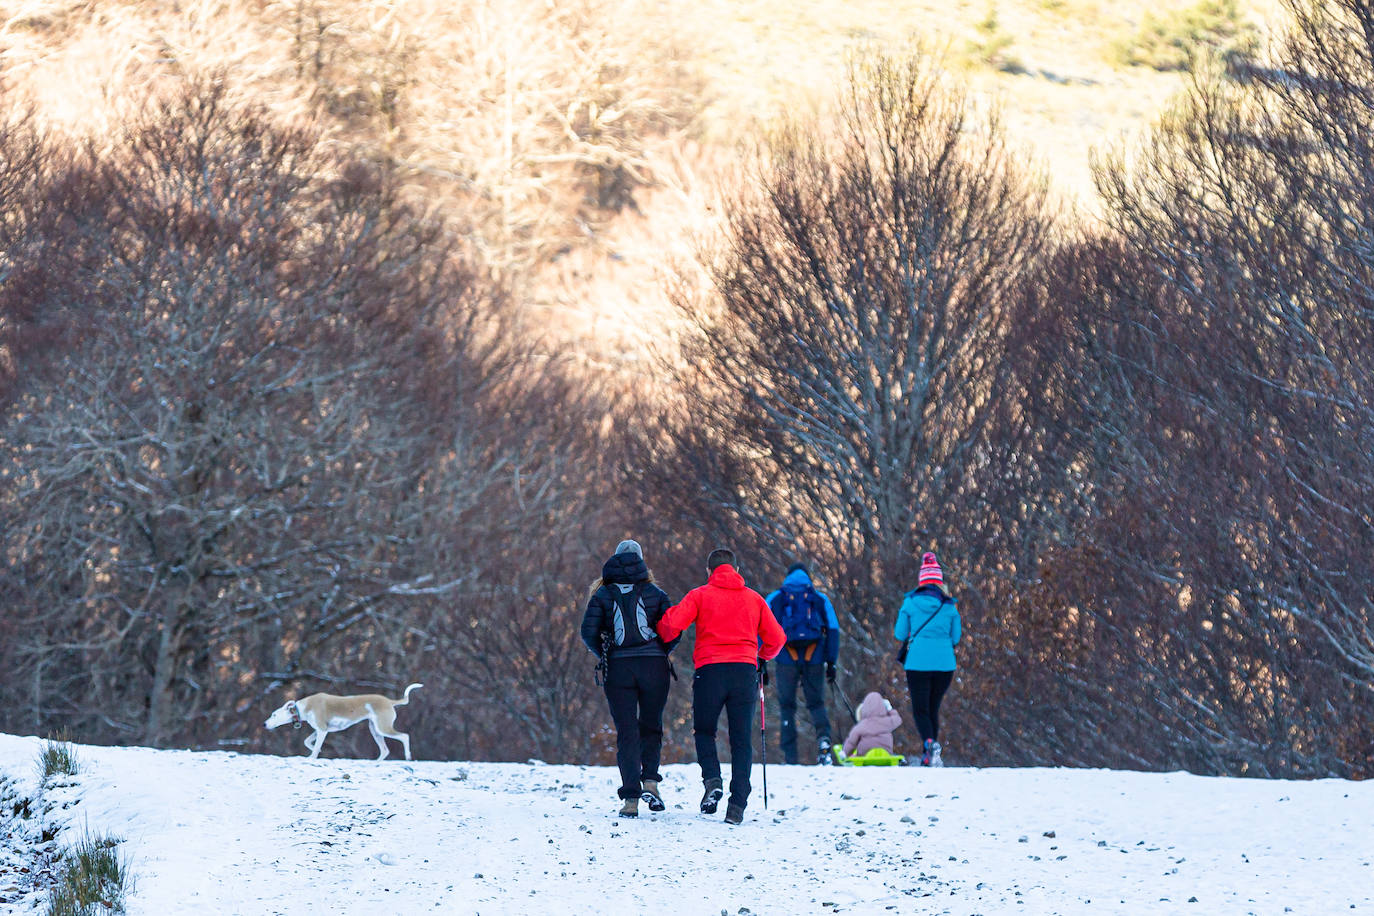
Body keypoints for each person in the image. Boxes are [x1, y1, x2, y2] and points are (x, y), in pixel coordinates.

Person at [656, 547, 786, 825]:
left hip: (710, 671)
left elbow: (671, 626)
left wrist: (658, 628)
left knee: (704, 731)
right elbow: (777, 639)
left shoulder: (700, 595)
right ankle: (737, 803)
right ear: (736, 570)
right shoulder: (755, 599)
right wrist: (761, 658)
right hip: (744, 672)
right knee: (741, 740)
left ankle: (712, 780)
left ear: (709, 571)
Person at [580, 539, 677, 818]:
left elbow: (588, 632)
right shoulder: (655, 593)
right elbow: (673, 628)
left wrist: (606, 653)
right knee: (652, 726)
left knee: (626, 731)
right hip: (654, 668)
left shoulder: (602, 595)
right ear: (642, 561)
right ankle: (651, 783)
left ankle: (631, 799)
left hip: (619, 669)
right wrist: (660, 651)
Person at [764, 563, 840, 765]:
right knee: (816, 703)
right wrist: (831, 661)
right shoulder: (819, 598)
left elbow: (760, 628)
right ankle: (824, 743)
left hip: (785, 656)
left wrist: (760, 660)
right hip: (813, 655)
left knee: (787, 706)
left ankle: (790, 757)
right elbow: (833, 629)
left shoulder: (775, 598)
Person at [893, 552, 961, 767]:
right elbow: (956, 637)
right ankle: (931, 752)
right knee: (933, 708)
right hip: (945, 665)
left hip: (918, 664)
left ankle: (929, 745)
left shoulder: (910, 603)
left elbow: (899, 634)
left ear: (921, 580)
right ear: (940, 582)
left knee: (921, 709)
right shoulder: (949, 606)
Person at [839, 691, 903, 761]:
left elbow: (851, 742)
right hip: (885, 753)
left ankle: (856, 756)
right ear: (882, 706)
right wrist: (889, 708)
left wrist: (845, 753)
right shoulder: (887, 722)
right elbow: (897, 719)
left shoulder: (862, 725)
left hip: (865, 754)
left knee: (856, 753)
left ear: (864, 708)